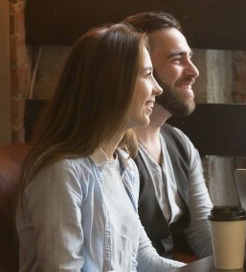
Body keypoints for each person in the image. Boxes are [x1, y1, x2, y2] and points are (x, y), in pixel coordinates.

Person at [16, 23, 184, 271]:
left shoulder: (124, 165)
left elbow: (145, 260)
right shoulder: (61, 174)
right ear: (113, 83)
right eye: (147, 75)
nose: (157, 89)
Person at [122, 11, 213, 259]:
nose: (193, 70)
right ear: (142, 70)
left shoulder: (180, 143)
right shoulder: (113, 150)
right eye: (176, 60)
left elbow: (204, 232)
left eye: (190, 58)